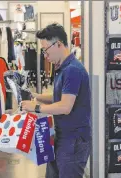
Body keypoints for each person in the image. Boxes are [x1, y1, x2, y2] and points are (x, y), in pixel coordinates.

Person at [21, 23, 91, 178]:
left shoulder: (73, 70)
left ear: (58, 44)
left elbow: (65, 106)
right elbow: (60, 97)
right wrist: (38, 96)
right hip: (61, 136)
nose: (45, 56)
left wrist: (36, 107)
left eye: (45, 50)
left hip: (73, 140)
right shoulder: (63, 68)